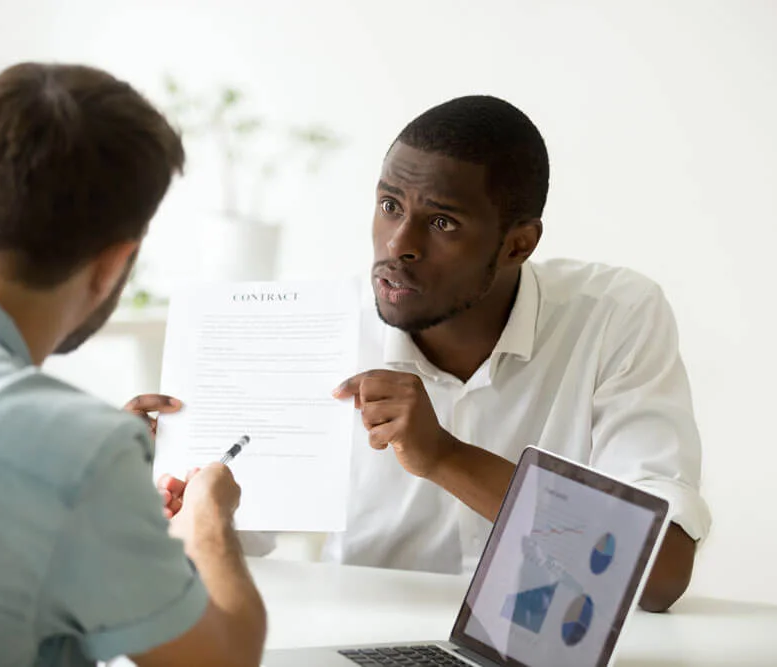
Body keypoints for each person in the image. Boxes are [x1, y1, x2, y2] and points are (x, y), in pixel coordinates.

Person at [156, 95, 710, 613]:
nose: (399, 245)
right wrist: (143, 485)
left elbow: (660, 574)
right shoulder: (316, 329)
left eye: (442, 222)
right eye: (389, 205)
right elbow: (214, 546)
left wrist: (445, 457)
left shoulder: (612, 316)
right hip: (358, 642)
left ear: (518, 243)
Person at [0, 63, 265, 666]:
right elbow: (222, 662)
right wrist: (207, 517)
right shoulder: (82, 451)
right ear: (113, 264)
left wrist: (105, 500)